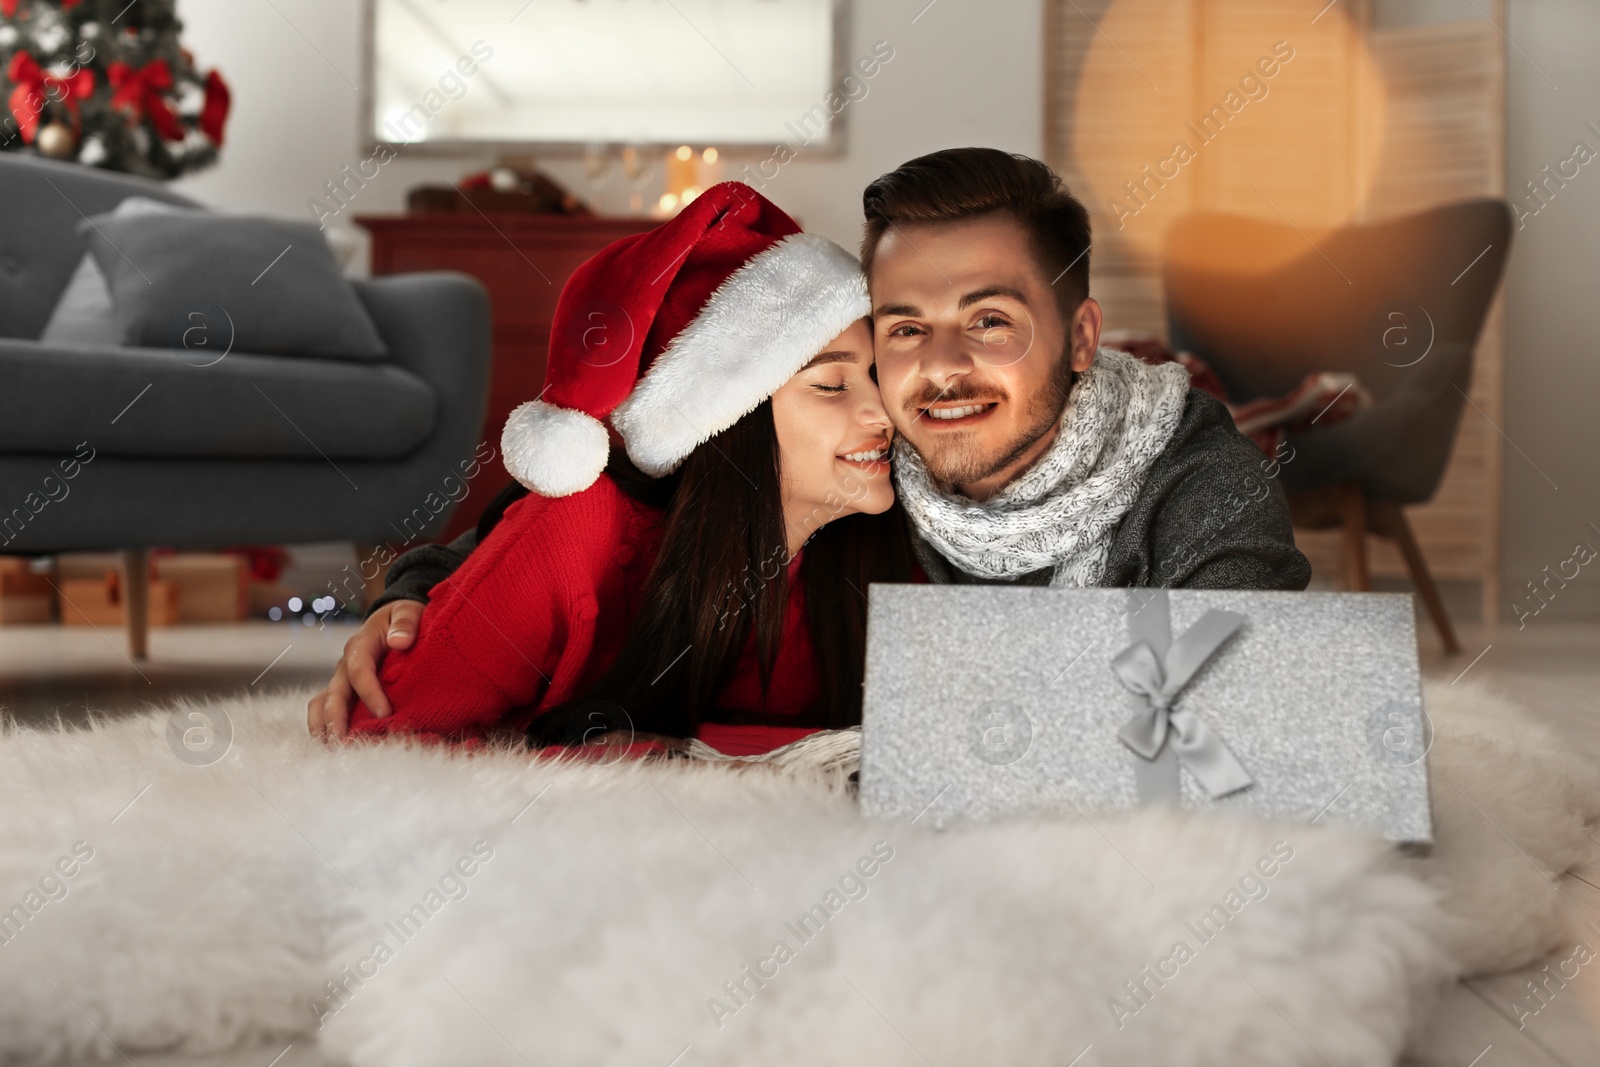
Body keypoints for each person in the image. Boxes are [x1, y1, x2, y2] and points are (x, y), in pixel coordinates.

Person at [309, 148, 1309, 740]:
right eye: (901, 331)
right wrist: (417, 596)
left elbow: (1270, 715)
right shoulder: (897, 474)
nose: (923, 383)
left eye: (993, 321)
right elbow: (592, 513)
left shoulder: (1190, 480)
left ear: (1080, 337)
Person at [310, 182, 914, 749]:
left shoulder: (879, 544)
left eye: (873, 376)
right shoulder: (578, 532)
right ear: (727, 423)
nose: (883, 411)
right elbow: (379, 738)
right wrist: (414, 597)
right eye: (832, 386)